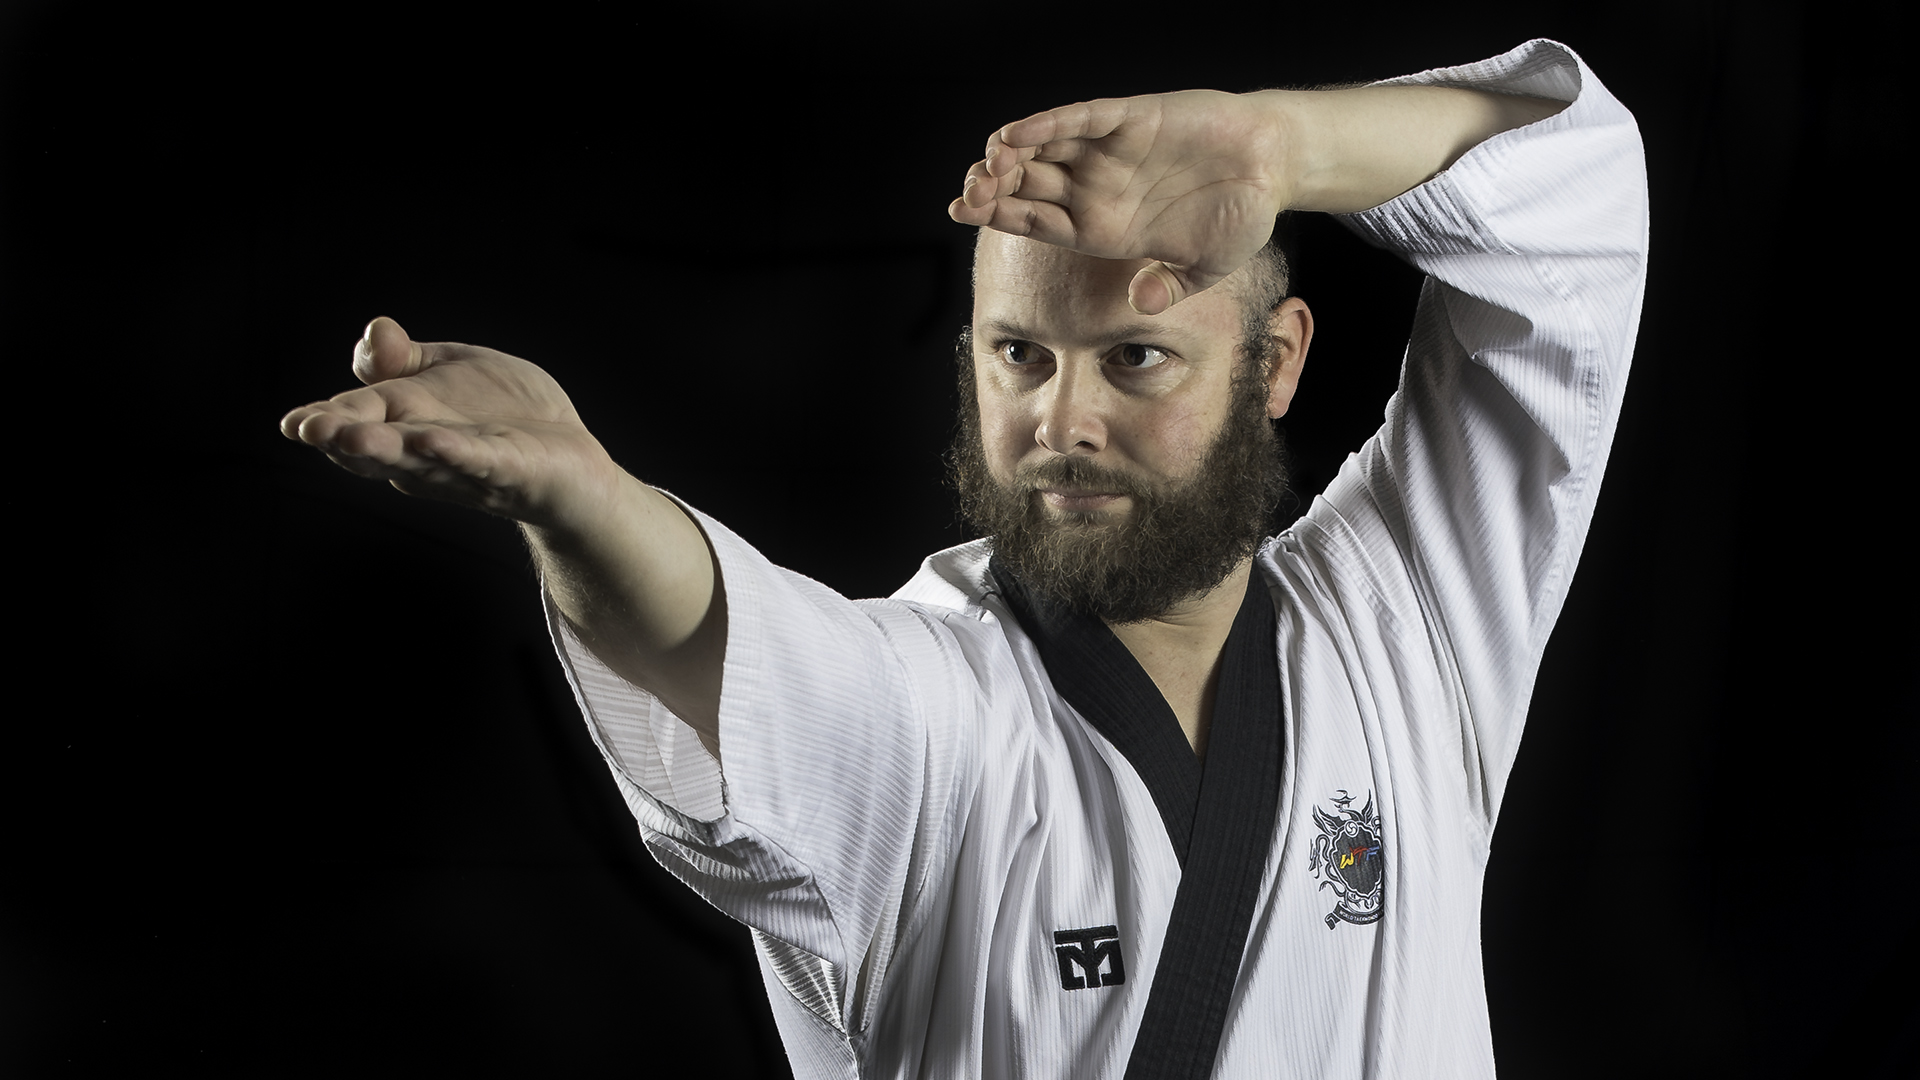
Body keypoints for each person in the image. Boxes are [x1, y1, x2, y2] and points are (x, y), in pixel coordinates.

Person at [281, 37, 1646, 1079]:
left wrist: (1285, 145)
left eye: (1137, 358)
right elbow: (729, 652)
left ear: (1274, 362)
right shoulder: (934, 708)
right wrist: (585, 505)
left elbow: (1571, 210)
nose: (1063, 420)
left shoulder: (1406, 623)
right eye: (1020, 355)